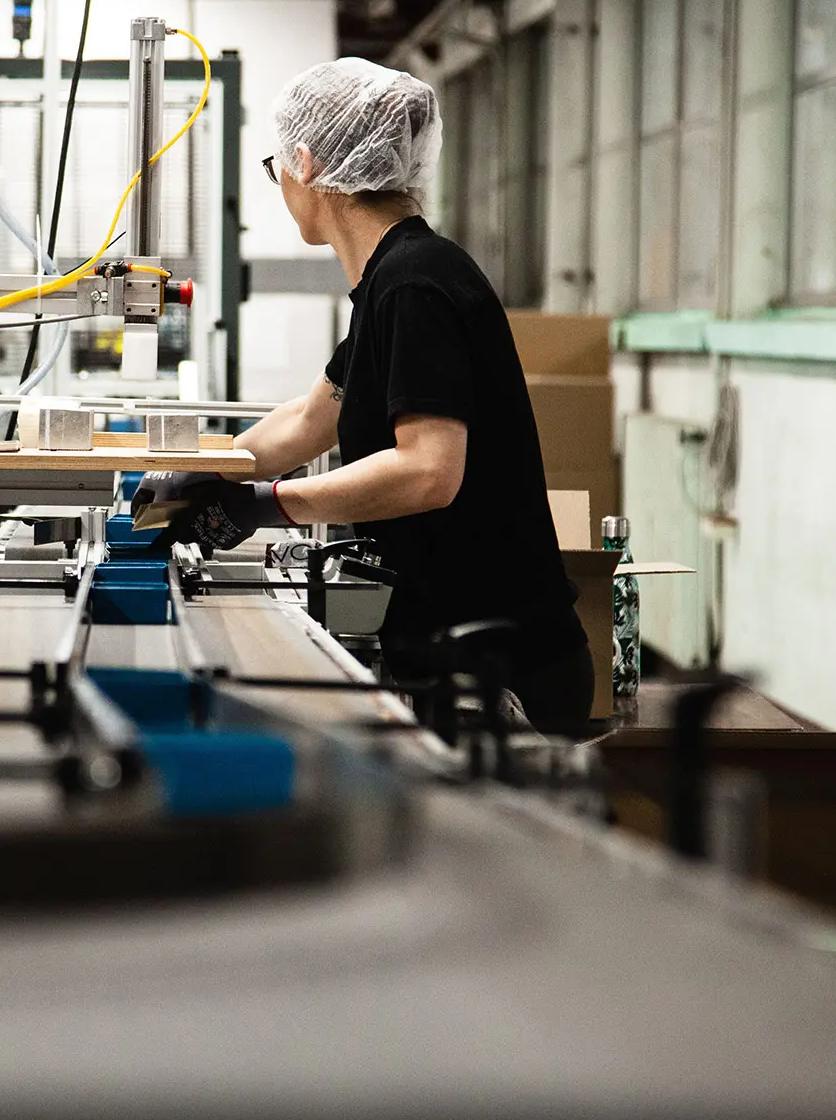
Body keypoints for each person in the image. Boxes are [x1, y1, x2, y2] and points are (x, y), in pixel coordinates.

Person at [135, 57, 592, 731]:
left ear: (307, 162)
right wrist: (203, 473)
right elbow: (310, 418)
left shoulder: (414, 284)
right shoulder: (394, 280)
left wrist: (267, 505)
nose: (280, 183)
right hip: (459, 653)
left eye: (276, 167)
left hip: (501, 674)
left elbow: (428, 471)